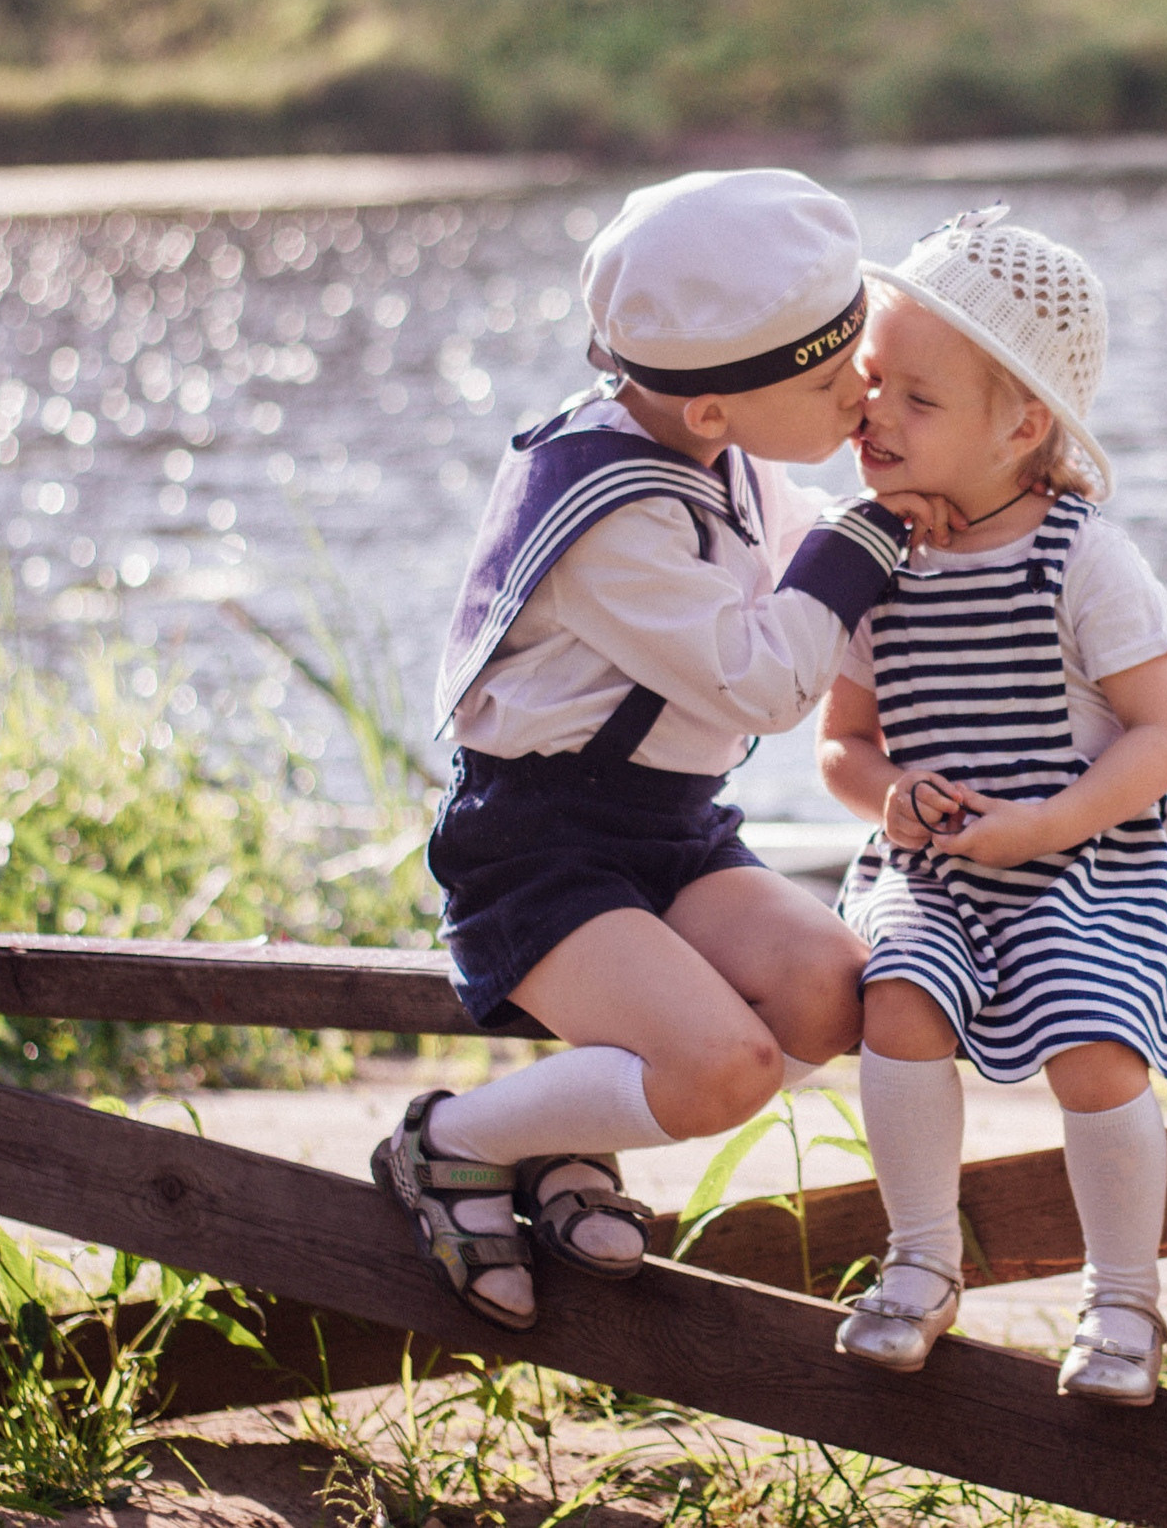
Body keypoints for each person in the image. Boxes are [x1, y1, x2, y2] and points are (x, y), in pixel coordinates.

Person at [375, 169, 950, 1332]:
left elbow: (807, 585)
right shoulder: (613, 514)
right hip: (538, 847)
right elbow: (767, 677)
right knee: (724, 1071)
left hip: (666, 828)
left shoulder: (722, 447)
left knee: (832, 994)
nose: (863, 391)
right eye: (835, 379)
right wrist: (866, 540)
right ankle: (448, 1144)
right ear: (713, 411)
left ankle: (561, 1139)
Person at [815, 207, 1167, 1405]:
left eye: (918, 399)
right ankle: (921, 1260)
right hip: (934, 873)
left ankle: (1123, 1300)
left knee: (1092, 1036)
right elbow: (840, 746)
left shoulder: (1081, 558)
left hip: (1086, 862)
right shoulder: (871, 560)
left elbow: (1165, 737)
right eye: (870, 382)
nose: (873, 414)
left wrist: (1047, 824)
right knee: (898, 996)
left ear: (1022, 426)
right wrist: (891, 800)